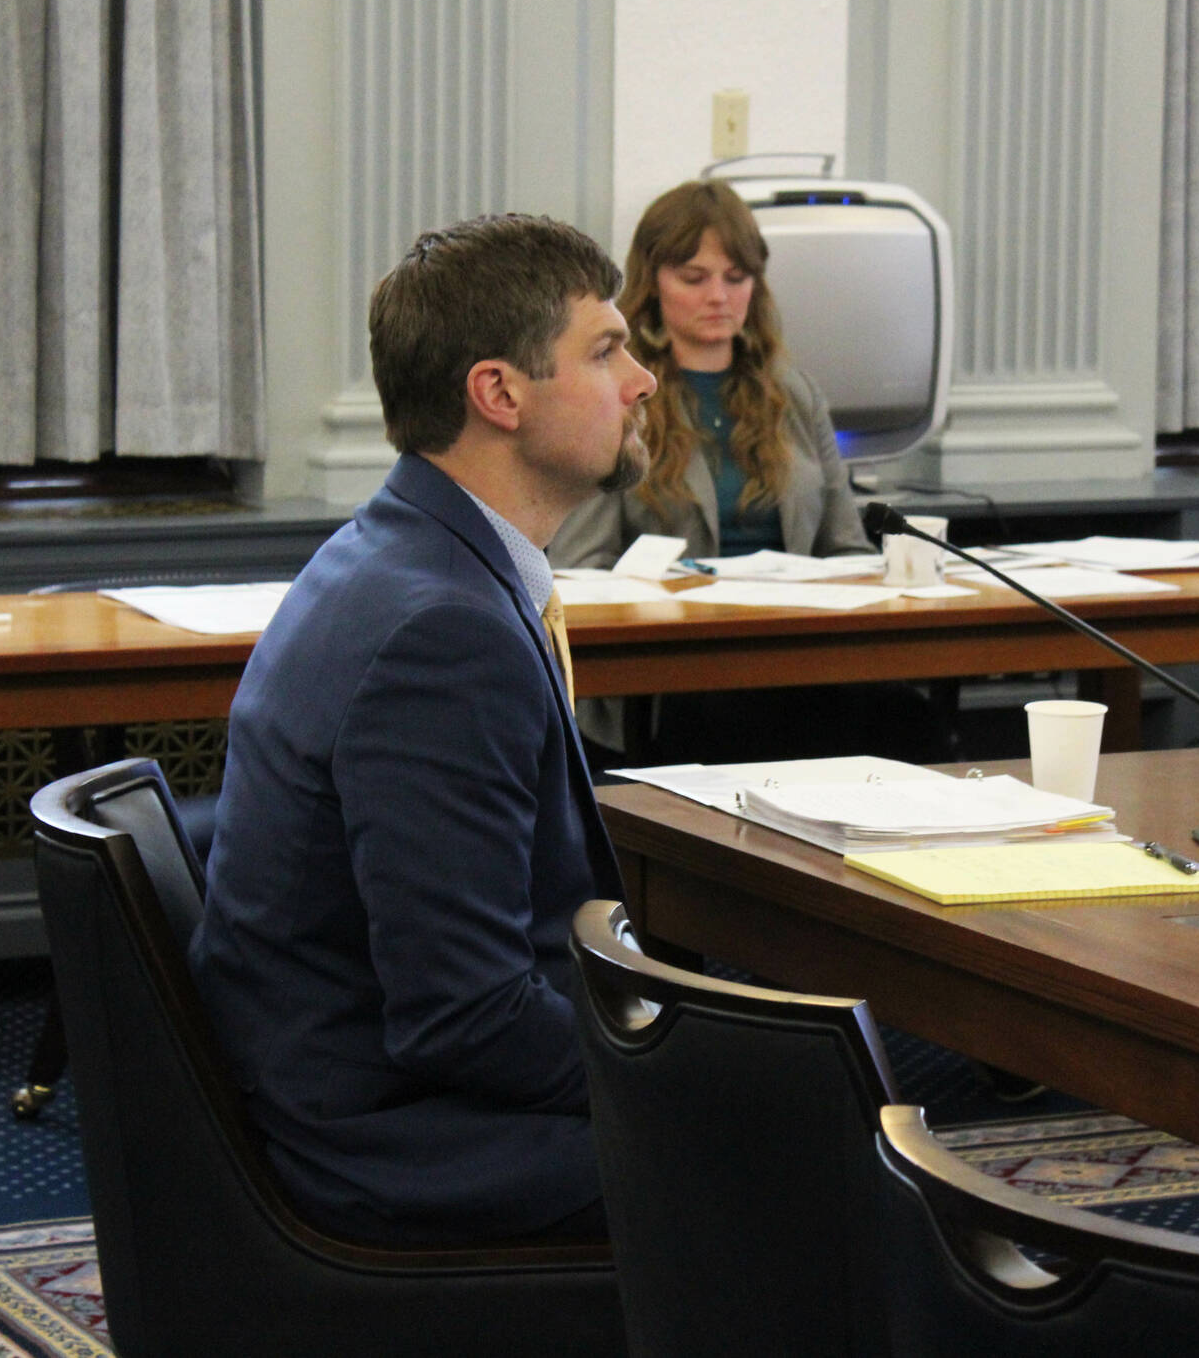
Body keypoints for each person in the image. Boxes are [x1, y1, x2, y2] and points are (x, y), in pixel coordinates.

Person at [189, 215, 656, 1246]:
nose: (642, 381)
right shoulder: (441, 631)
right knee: (805, 1152)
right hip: (385, 1138)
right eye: (605, 350)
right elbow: (461, 1018)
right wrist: (689, 1060)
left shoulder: (398, 553)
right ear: (498, 394)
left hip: (361, 1079)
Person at [549, 179, 947, 765]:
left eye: (736, 278)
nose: (719, 296)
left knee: (910, 722)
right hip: (677, 672)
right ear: (653, 282)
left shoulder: (794, 393)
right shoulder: (621, 396)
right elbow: (580, 568)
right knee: (724, 720)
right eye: (694, 277)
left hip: (795, 654)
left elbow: (844, 548)